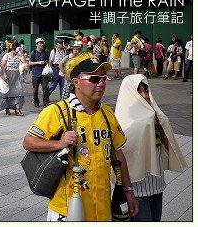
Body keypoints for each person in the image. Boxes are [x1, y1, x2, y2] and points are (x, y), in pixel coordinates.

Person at [22, 53, 139, 221]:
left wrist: (128, 191)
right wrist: (60, 143)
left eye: (103, 79)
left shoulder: (107, 114)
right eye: (94, 79)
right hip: (68, 206)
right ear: (76, 82)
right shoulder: (58, 111)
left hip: (102, 206)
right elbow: (28, 141)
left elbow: (118, 154)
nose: (100, 84)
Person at [115, 75, 187, 221]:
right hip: (136, 189)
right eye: (138, 92)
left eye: (146, 91)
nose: (144, 96)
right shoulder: (123, 120)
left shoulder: (154, 114)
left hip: (156, 183)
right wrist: (127, 190)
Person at [0, 42, 25, 116]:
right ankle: (7, 108)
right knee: (8, 92)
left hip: (17, 75)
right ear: (13, 49)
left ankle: (18, 109)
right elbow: (3, 65)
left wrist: (22, 52)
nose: (17, 52)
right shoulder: (7, 55)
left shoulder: (19, 55)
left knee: (19, 92)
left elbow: (24, 62)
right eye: (16, 50)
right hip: (9, 75)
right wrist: (4, 73)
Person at [29, 37, 50, 108]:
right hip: (35, 74)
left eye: (42, 43)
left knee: (46, 88)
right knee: (35, 89)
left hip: (44, 74)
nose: (42, 44)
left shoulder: (45, 52)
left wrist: (47, 64)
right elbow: (29, 63)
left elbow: (47, 61)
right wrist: (38, 62)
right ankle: (36, 102)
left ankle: (46, 102)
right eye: (40, 43)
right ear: (36, 44)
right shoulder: (33, 53)